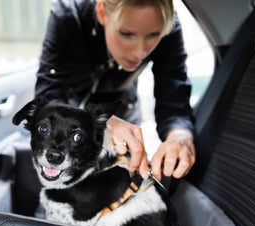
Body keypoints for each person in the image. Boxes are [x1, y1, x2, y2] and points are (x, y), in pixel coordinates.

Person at [35, 0, 195, 181]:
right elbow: (48, 95)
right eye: (127, 34)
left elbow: (174, 98)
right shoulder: (68, 16)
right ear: (102, 13)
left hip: (123, 108)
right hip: (67, 114)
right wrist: (97, 123)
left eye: (153, 35)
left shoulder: (167, 24)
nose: (140, 53)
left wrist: (180, 137)